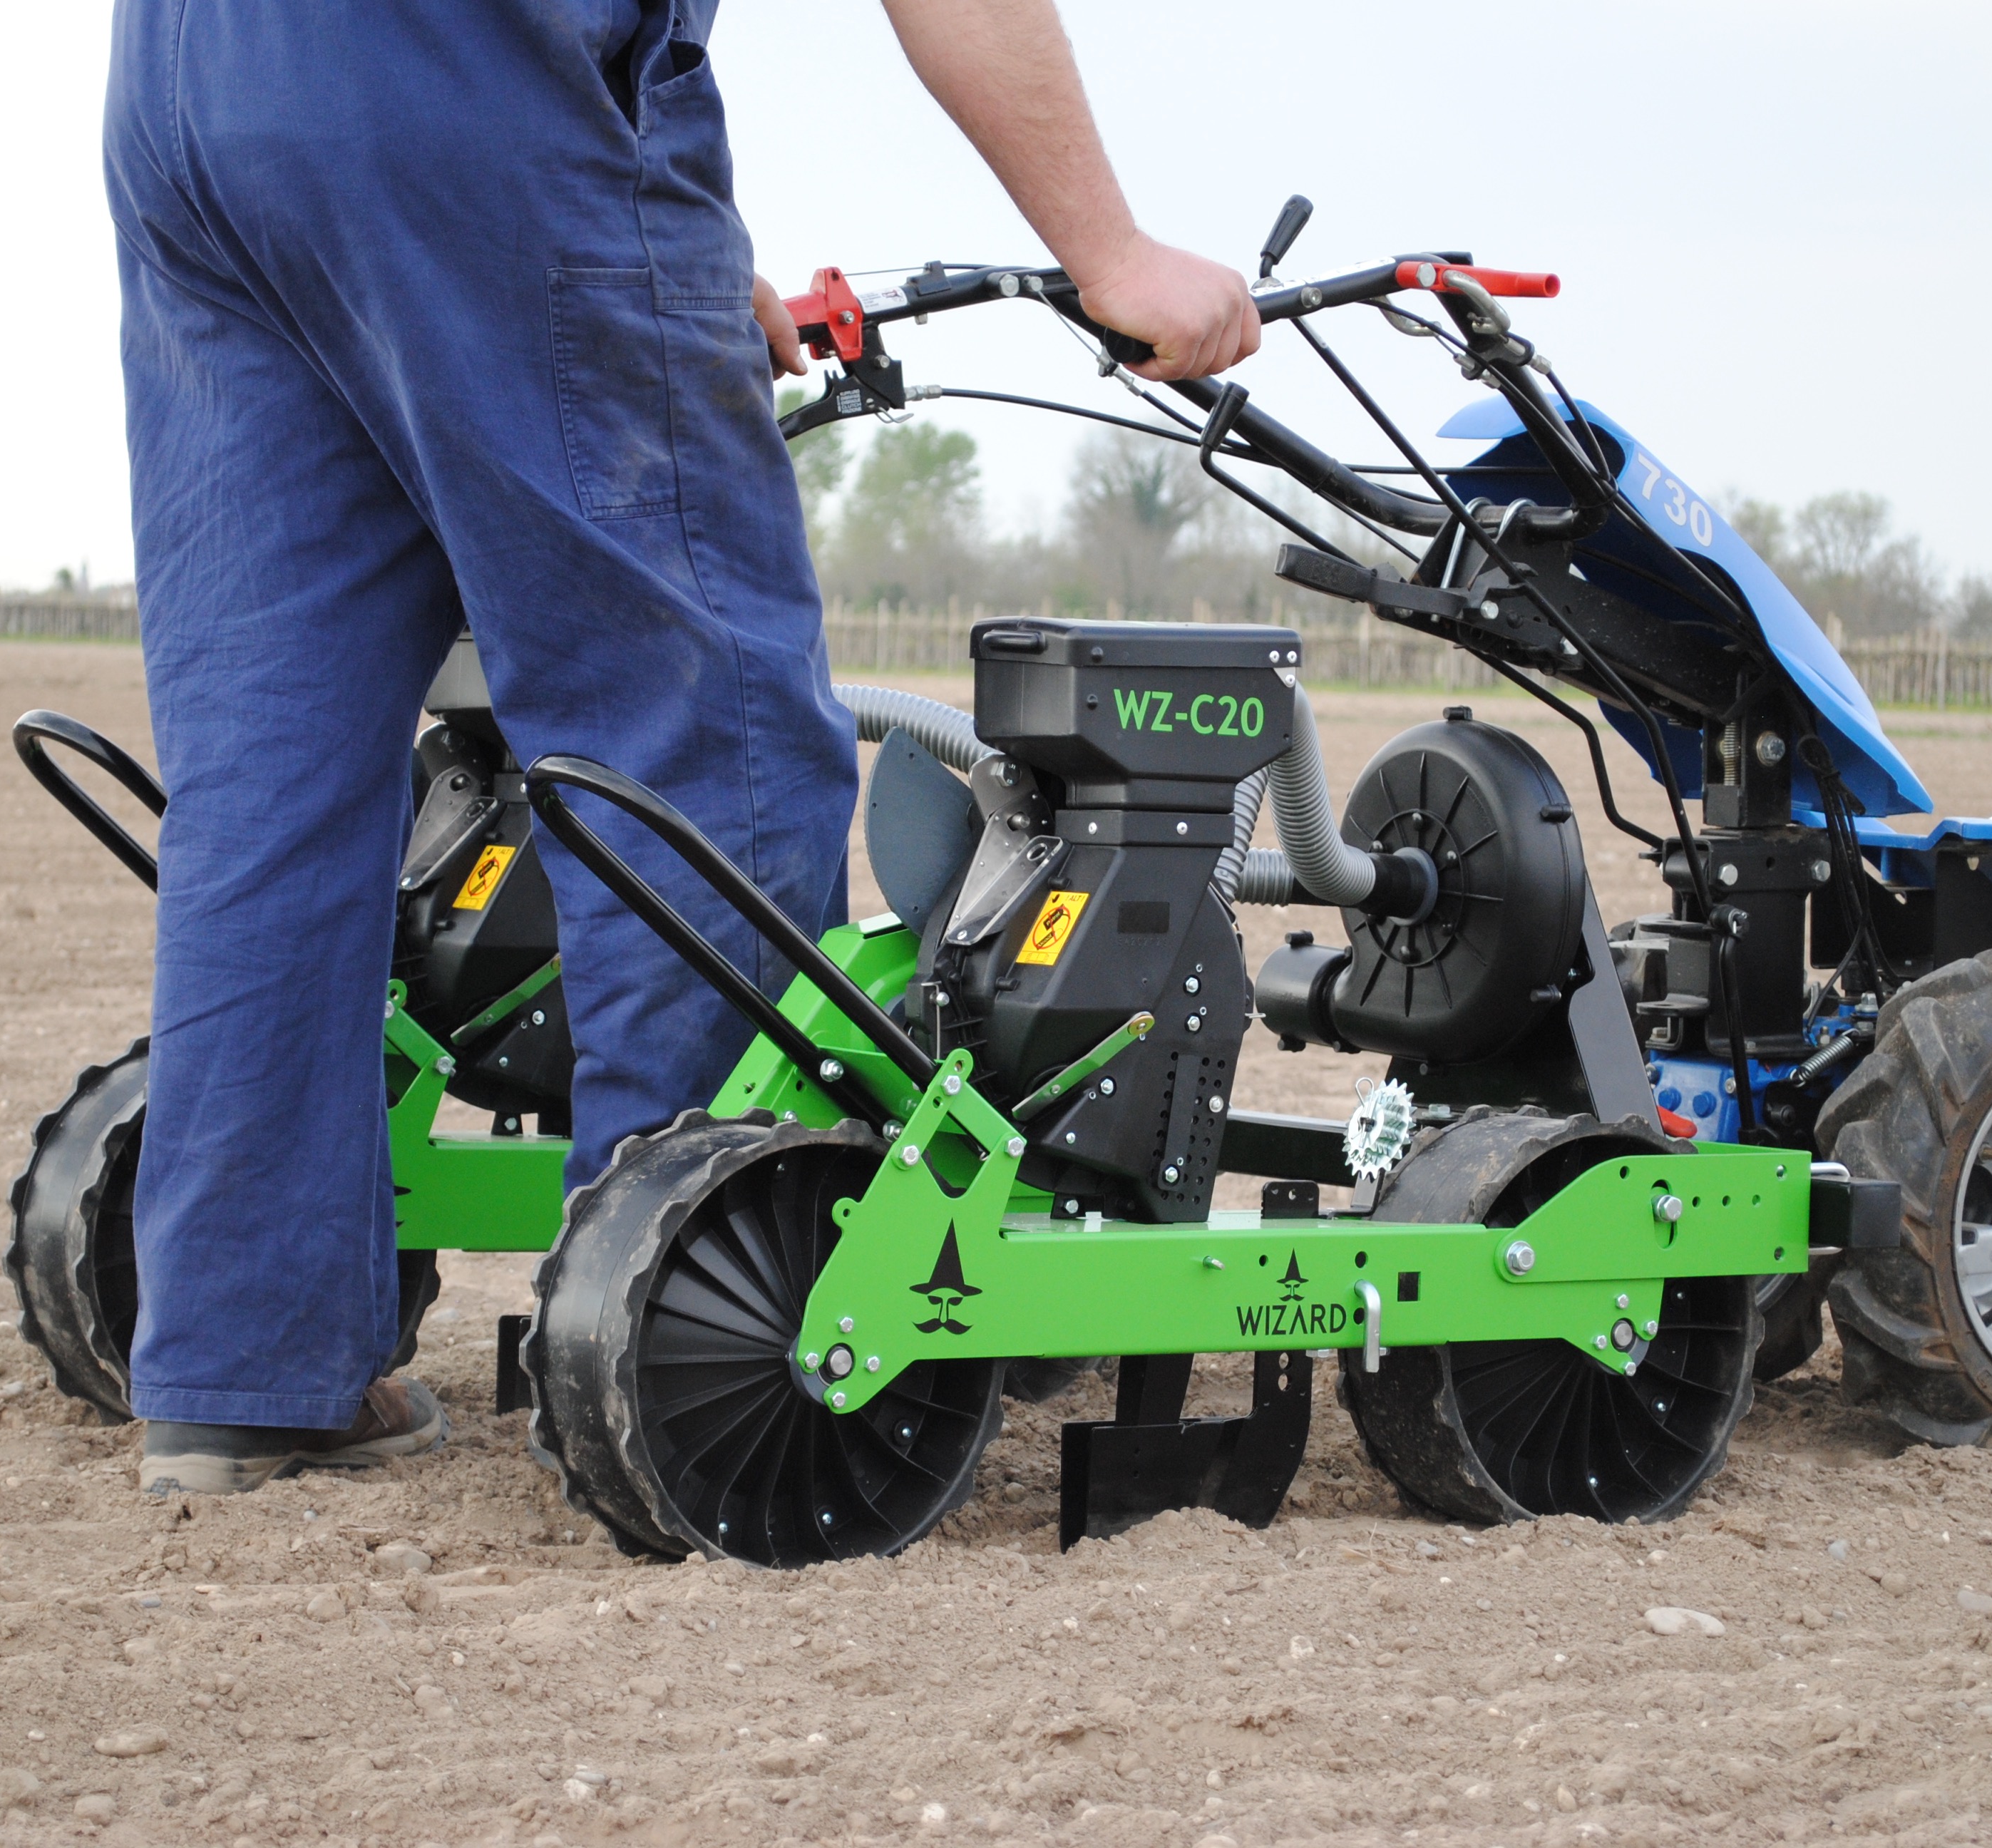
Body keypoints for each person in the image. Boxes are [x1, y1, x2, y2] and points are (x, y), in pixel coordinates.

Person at [103, 0, 1261, 1497]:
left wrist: (643, 245)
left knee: (273, 766)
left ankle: (241, 1364)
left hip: (200, 102)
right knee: (702, 736)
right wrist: (1110, 251)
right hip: (462, 73)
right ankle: (679, 1358)